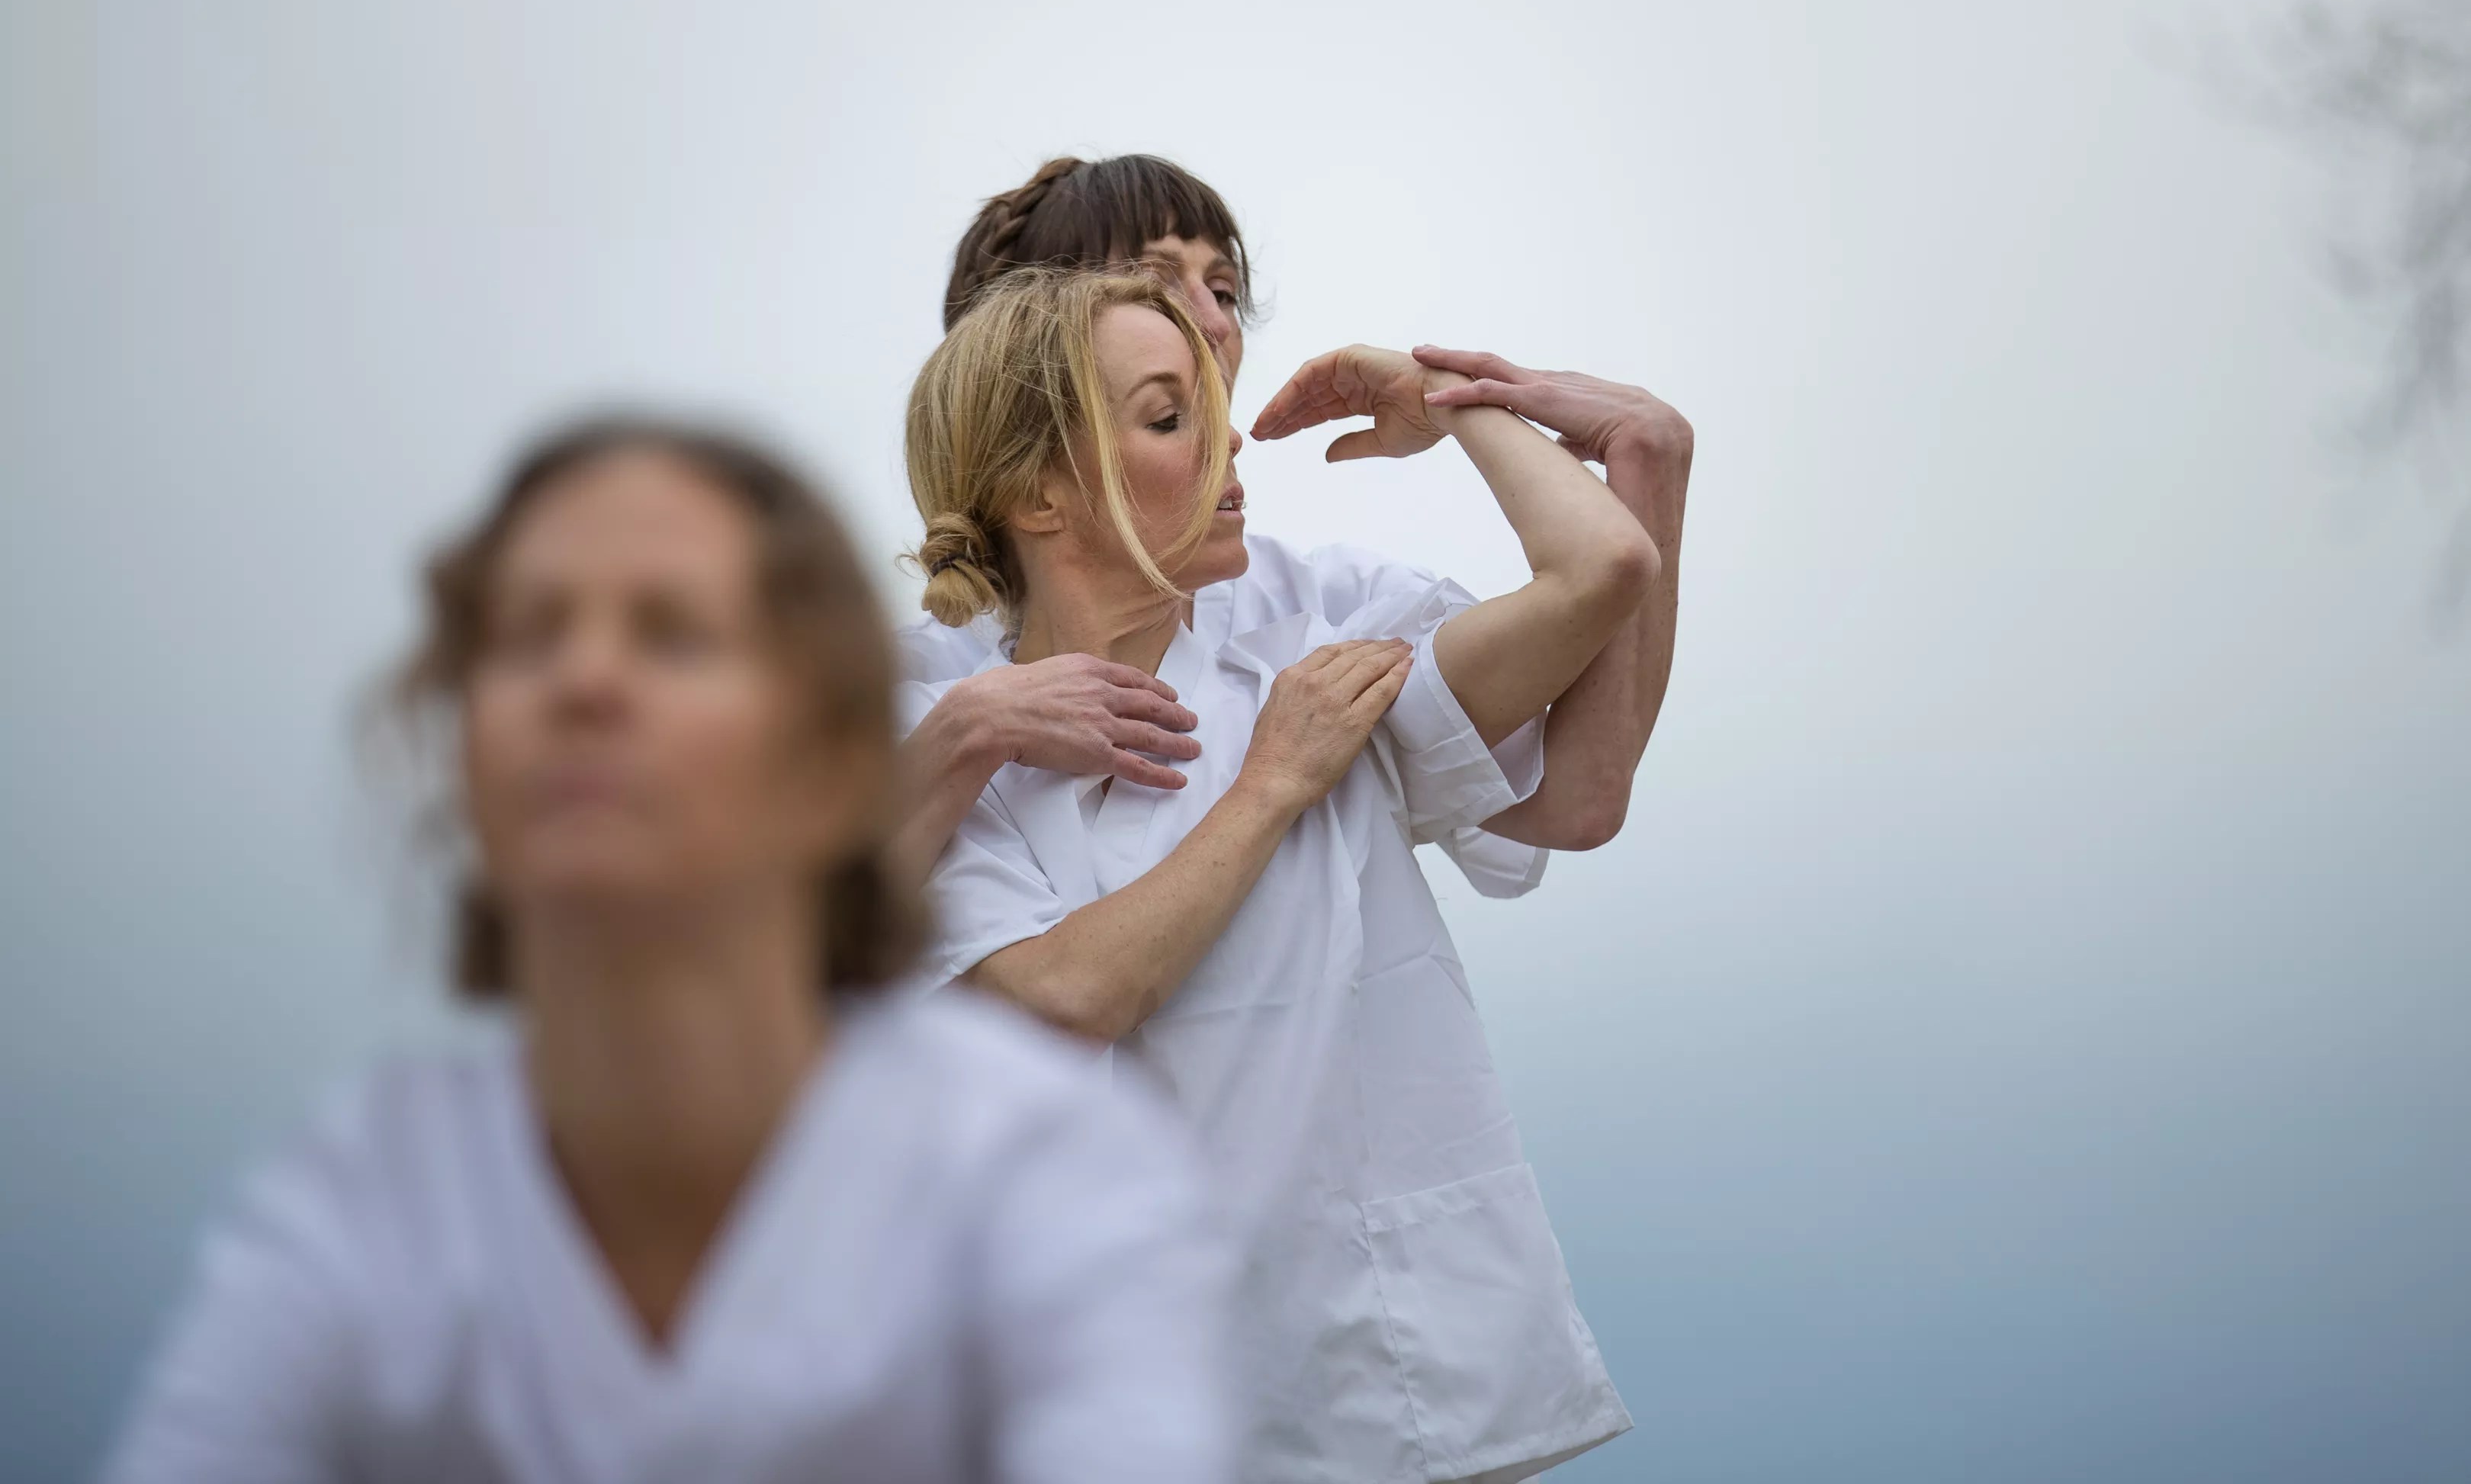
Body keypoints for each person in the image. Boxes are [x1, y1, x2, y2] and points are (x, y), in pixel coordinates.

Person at [104, 416, 1234, 1484]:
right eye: (526, 636)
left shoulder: (1042, 1174)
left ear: (835, 762)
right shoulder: (370, 1193)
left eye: (673, 634)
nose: (582, 682)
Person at [901, 267, 1646, 1482]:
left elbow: (1602, 564)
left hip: (1397, 1394)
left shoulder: (1327, 661)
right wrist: (1270, 786)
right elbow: (1057, 999)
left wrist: (1447, 398)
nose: (1231, 440)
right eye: (1169, 416)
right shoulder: (941, 746)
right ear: (1039, 492)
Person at [892, 153, 1695, 895]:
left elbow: (1574, 800)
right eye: (1155, 283)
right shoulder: (916, 687)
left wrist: (1645, 462)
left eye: (1225, 290)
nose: (1213, 322)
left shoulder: (1338, 614)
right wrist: (961, 736)